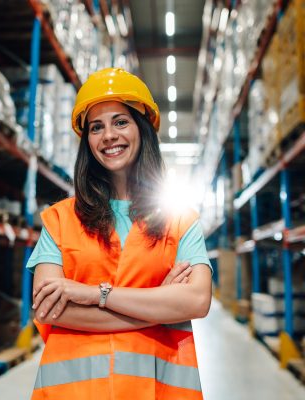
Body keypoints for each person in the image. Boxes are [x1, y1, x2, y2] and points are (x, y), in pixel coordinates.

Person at [26, 67, 212, 400]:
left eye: (120, 122)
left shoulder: (181, 219)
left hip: (158, 391)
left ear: (142, 129)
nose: (108, 135)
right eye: (96, 127)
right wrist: (158, 308)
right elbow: (49, 309)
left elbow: (196, 301)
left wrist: (94, 295)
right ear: (87, 141)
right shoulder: (60, 219)